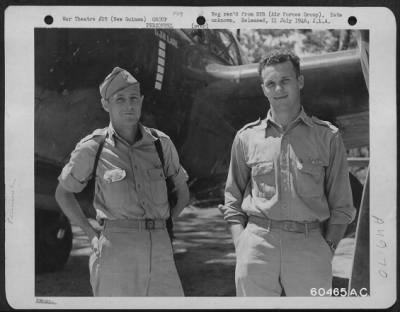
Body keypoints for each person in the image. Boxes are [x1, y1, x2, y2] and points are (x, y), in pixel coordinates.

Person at [219, 50, 356, 296]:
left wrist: (328, 247)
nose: (278, 89)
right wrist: (241, 243)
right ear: (263, 89)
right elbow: (232, 198)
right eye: (270, 83)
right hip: (257, 246)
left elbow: (343, 205)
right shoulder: (246, 138)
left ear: (300, 82)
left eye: (285, 81)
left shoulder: (327, 137)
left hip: (310, 246)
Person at [55, 67, 190, 296]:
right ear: (106, 104)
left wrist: (165, 226)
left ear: (142, 101)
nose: (129, 106)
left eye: (134, 99)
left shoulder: (161, 144)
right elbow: (63, 193)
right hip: (115, 250)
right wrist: (91, 234)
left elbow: (183, 193)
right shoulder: (92, 147)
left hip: (160, 251)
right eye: (120, 99)